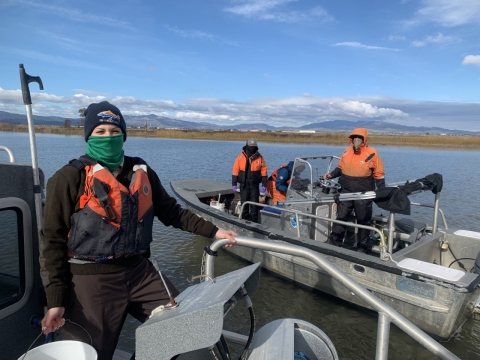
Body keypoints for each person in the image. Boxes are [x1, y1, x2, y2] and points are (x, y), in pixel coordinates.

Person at [40, 101, 237, 360]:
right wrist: (56, 298)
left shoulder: (140, 170)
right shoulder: (68, 178)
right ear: (88, 136)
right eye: (100, 132)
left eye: (114, 131)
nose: (108, 137)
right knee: (90, 353)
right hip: (90, 279)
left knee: (184, 328)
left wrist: (214, 232)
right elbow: (51, 241)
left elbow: (171, 211)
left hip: (139, 272)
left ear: (123, 134)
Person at [323, 128, 385, 253]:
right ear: (351, 139)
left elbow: (379, 173)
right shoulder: (346, 152)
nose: (357, 140)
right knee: (341, 218)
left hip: (364, 193)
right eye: (354, 137)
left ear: (364, 139)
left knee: (363, 221)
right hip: (345, 191)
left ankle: (362, 248)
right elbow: (340, 168)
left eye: (359, 137)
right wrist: (331, 175)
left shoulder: (372, 153)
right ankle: (335, 244)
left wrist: (382, 190)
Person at [232, 138, 268, 222]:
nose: (252, 148)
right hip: (244, 185)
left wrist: (264, 184)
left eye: (254, 147)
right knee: (244, 204)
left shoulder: (260, 158)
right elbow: (235, 170)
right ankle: (244, 222)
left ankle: (254, 223)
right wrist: (234, 184)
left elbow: (264, 171)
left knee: (254, 206)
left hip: (254, 186)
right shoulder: (240, 157)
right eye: (250, 146)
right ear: (247, 146)